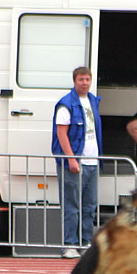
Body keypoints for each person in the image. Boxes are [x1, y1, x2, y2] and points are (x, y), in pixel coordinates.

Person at [52, 67, 103, 259]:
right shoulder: (66, 104)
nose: (84, 82)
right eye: (81, 79)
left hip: (92, 161)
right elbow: (61, 133)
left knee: (89, 205)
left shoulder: (92, 101)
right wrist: (71, 159)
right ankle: (70, 244)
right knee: (71, 205)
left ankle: (85, 243)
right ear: (74, 81)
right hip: (74, 162)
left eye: (87, 79)